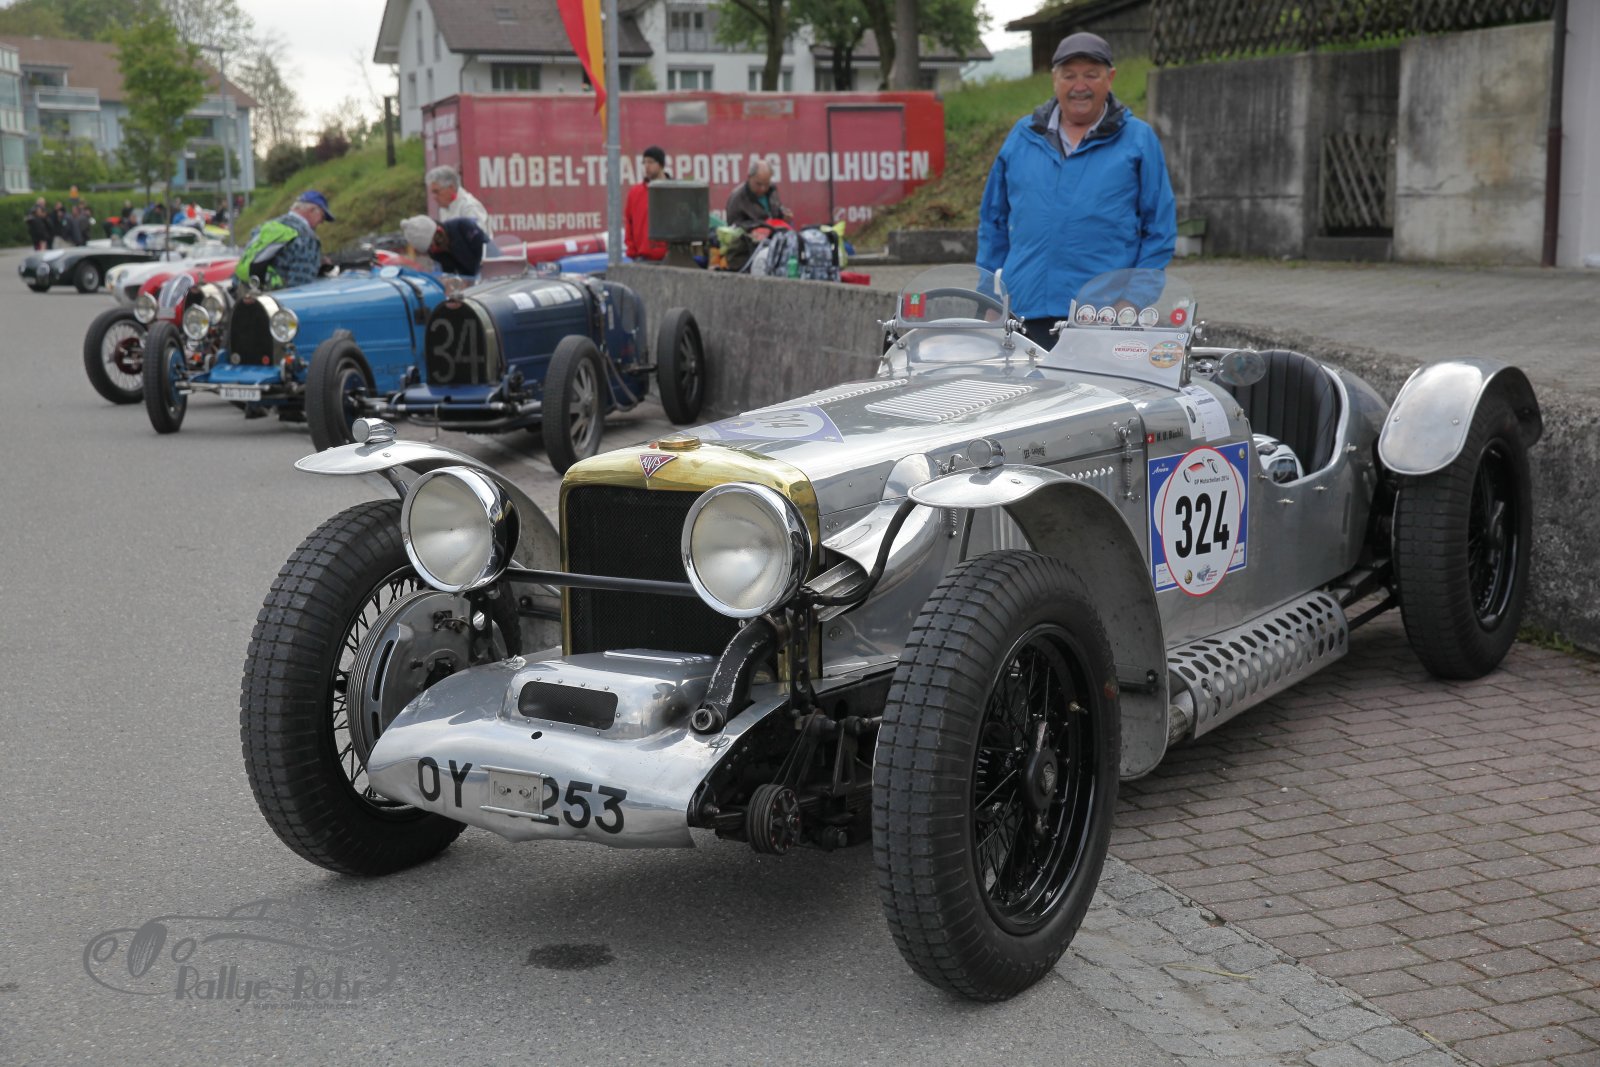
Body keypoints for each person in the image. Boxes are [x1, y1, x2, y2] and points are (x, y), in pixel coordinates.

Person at [977, 32, 1176, 347]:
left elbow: (1160, 230)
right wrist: (989, 297)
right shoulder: (1022, 136)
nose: (1079, 86)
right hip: (1023, 312)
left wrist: (1132, 302)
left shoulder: (1138, 140)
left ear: (1110, 78)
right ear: (1054, 79)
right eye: (1069, 75)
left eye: (1091, 75)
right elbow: (993, 222)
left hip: (1103, 317)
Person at [235, 190, 334, 290]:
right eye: (322, 217)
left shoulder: (266, 227)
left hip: (246, 289)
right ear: (312, 210)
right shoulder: (307, 238)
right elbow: (301, 285)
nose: (322, 222)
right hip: (274, 296)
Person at [400, 214, 495, 277]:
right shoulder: (436, 253)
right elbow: (450, 275)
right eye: (430, 248)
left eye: (436, 243)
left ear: (439, 231)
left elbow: (487, 253)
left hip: (492, 273)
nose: (436, 249)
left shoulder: (464, 226)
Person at [624, 145, 670, 261]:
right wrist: (632, 251)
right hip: (642, 258)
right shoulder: (635, 192)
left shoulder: (674, 190)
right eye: (644, 162)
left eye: (650, 162)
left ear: (661, 165)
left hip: (670, 259)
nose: (646, 166)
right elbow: (629, 223)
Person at [426, 165, 493, 238]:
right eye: (433, 193)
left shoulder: (469, 207)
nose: (434, 197)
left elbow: (478, 238)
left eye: (436, 192)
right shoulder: (445, 207)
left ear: (451, 188)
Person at [725, 159, 791, 231]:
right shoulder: (737, 198)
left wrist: (783, 215)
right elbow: (733, 227)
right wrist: (756, 227)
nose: (763, 188)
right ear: (749, 177)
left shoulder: (772, 189)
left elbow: (777, 211)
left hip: (775, 233)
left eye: (766, 184)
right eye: (758, 184)